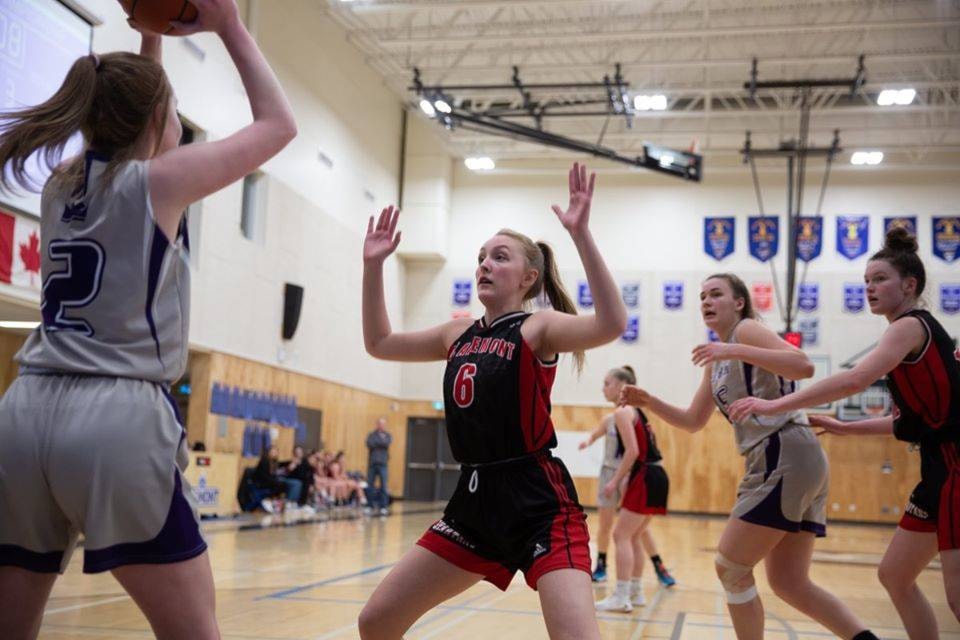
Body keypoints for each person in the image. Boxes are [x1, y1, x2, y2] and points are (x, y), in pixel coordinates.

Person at [0, 1, 296, 637]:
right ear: (161, 118)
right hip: (116, 417)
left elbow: (131, 120)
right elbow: (278, 125)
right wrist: (231, 26)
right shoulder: (161, 182)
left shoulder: (63, 182)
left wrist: (150, 43)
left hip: (22, 415)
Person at [357, 163, 626, 640]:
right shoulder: (456, 331)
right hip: (474, 504)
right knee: (377, 622)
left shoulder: (537, 327)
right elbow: (379, 343)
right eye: (481, 256)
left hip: (538, 500)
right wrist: (373, 266)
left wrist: (582, 235)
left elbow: (610, 323)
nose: (484, 263)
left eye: (499, 257)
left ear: (529, 277)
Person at [728, 227, 960, 638]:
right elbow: (906, 424)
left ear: (909, 285)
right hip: (936, 472)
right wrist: (843, 427)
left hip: (956, 470)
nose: (870, 288)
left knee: (956, 597)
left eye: (880, 279)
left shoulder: (909, 326)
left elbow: (855, 381)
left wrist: (776, 403)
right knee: (895, 575)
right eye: (866, 281)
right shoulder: (904, 334)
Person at [619, 273, 879, 640]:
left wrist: (733, 349)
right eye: (702, 295)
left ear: (739, 302)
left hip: (783, 448)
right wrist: (650, 402)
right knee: (790, 582)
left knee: (730, 566)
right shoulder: (718, 358)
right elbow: (693, 421)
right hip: (785, 455)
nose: (706, 301)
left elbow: (803, 365)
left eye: (715, 294)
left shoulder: (745, 331)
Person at [578, 367, 675, 591]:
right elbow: (596, 433)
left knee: (630, 531)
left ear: (622, 387)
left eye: (607, 383)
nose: (603, 388)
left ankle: (653, 569)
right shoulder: (614, 418)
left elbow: (634, 450)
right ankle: (604, 567)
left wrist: (621, 478)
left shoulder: (628, 414)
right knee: (616, 528)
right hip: (614, 472)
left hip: (632, 473)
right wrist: (588, 441)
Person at [366, 417, 393, 514]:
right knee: (370, 485)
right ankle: (369, 505)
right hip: (372, 464)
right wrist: (381, 443)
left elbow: (387, 443)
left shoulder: (387, 435)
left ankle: (383, 506)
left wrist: (378, 443)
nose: (381, 426)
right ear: (377, 425)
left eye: (383, 424)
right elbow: (370, 444)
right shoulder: (371, 435)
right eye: (380, 424)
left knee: (384, 485)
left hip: (383, 464)